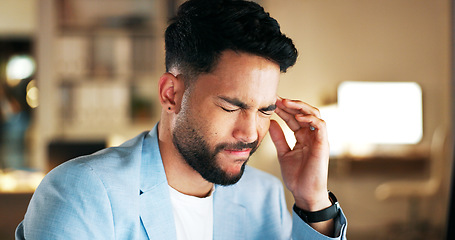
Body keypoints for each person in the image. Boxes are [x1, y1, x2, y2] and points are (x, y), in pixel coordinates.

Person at [16, 0, 347, 239]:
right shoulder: (81, 192)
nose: (250, 133)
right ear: (171, 94)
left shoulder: (264, 197)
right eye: (232, 107)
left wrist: (313, 201)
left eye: (265, 110)